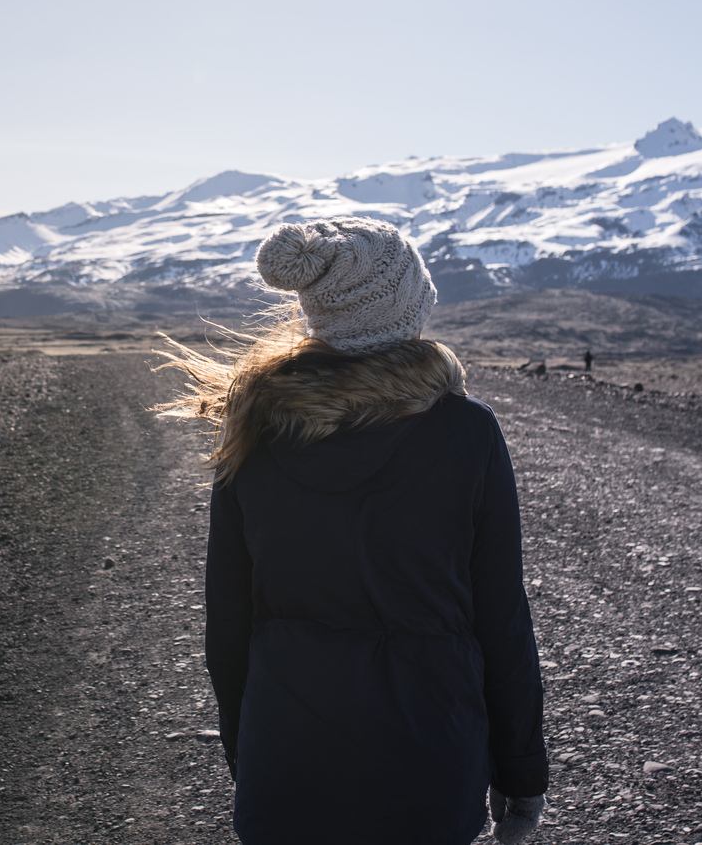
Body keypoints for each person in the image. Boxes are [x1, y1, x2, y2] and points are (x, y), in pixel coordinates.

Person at [154, 217, 550, 845]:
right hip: (432, 749)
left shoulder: (256, 427)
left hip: (287, 746)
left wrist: (248, 752)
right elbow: (501, 612)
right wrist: (522, 770)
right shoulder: (466, 432)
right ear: (409, 306)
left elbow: (226, 619)